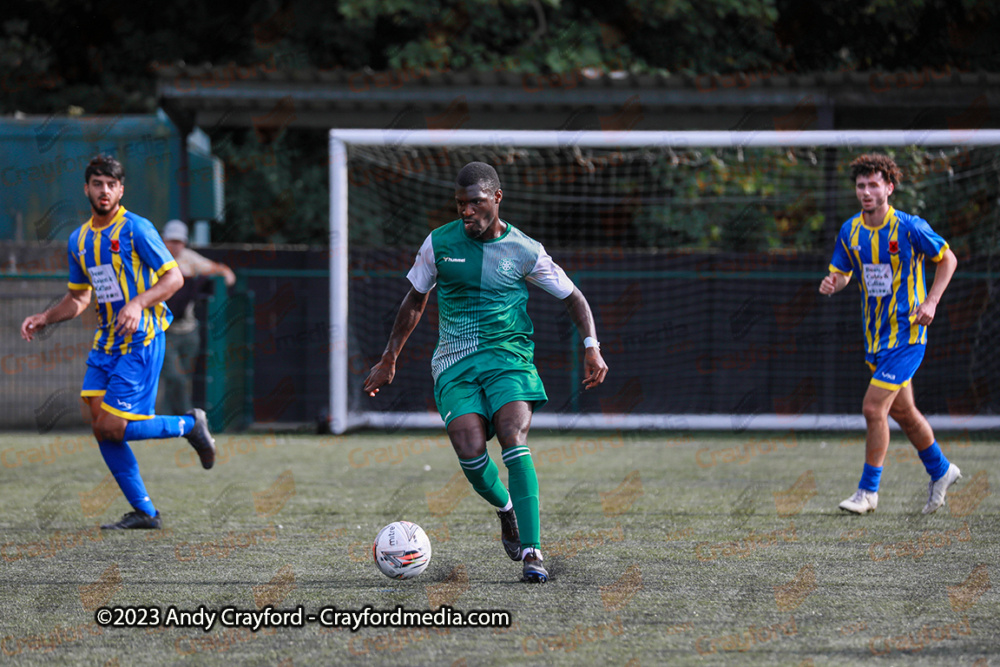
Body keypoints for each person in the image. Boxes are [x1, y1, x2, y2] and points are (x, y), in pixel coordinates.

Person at [364, 162, 609, 583]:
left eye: (475, 203)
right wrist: (389, 358)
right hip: (454, 364)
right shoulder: (439, 243)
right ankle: (506, 508)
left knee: (514, 437)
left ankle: (533, 551)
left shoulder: (526, 250)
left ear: (496, 198)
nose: (466, 211)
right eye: (460, 204)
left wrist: (592, 347)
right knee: (469, 449)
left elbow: (574, 297)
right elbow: (415, 300)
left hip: (508, 359)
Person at [20, 155, 216, 530]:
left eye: (111, 184)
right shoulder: (79, 239)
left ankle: (188, 425)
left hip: (141, 337)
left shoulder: (137, 229)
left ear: (121, 189)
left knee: (115, 425)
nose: (104, 190)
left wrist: (138, 303)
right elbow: (78, 298)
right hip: (105, 343)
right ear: (87, 188)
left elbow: (173, 280)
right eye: (98, 183)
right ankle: (145, 512)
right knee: (100, 426)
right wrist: (46, 316)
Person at [819, 153, 960, 515]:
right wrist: (835, 283)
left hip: (909, 334)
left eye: (873, 185)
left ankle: (868, 492)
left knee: (872, 408)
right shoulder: (851, 230)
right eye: (861, 185)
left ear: (889, 188)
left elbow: (948, 259)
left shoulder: (910, 226)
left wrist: (931, 301)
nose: (866, 191)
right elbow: (845, 271)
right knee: (906, 413)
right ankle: (941, 470)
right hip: (876, 339)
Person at [158, 219, 236, 415]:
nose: (175, 245)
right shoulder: (154, 258)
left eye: (179, 241)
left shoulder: (190, 259)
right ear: (163, 239)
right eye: (171, 240)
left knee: (183, 379)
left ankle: (169, 422)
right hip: (164, 330)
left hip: (188, 328)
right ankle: (190, 418)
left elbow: (224, 273)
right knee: (175, 377)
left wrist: (220, 276)